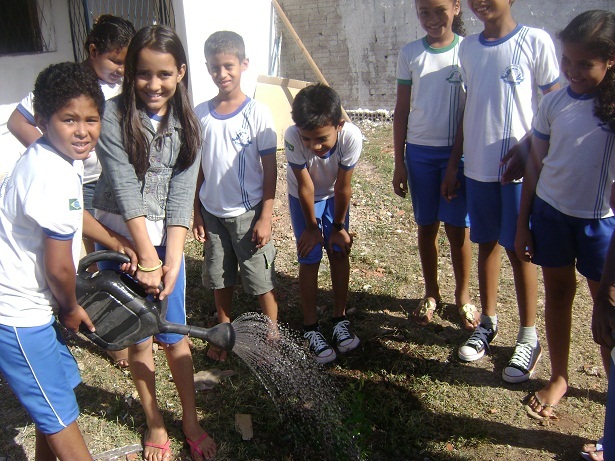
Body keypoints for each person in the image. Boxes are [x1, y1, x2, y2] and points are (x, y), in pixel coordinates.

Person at [0, 62, 136, 461]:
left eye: (91, 119)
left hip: (30, 308)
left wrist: (116, 239)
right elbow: (60, 266)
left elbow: (73, 213)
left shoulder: (53, 158)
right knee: (59, 417)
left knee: (57, 402)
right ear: (41, 120)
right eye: (69, 119)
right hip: (19, 315)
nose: (83, 131)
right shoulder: (52, 173)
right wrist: (71, 308)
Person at [93, 25, 216, 461]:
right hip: (122, 237)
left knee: (175, 335)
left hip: (165, 243)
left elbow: (183, 195)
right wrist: (145, 257)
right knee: (139, 337)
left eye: (164, 74)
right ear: (130, 74)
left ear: (180, 73)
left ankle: (190, 418)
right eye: (143, 74)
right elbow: (125, 188)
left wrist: (172, 262)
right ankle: (155, 421)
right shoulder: (110, 116)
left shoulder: (190, 124)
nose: (153, 84)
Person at [440, 0, 560, 383]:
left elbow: (556, 104)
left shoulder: (534, 41)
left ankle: (528, 335)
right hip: (477, 166)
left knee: (519, 248)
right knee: (486, 241)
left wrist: (529, 147)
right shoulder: (468, 48)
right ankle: (488, 322)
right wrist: (455, 161)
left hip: (517, 172)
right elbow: (468, 106)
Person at [7, 14, 136, 370]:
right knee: (82, 255)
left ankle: (115, 317)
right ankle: (97, 320)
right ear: (93, 51)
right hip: (20, 306)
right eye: (115, 60)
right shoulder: (61, 88)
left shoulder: (113, 90)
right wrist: (53, 149)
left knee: (103, 248)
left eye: (90, 120)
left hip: (97, 177)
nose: (121, 70)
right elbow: (17, 120)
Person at [514, 7, 615, 433]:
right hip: (550, 215)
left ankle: (612, 389)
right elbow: (536, 165)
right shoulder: (553, 103)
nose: (572, 71)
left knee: (607, 308)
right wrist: (523, 222)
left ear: (610, 61)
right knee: (557, 294)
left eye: (584, 63)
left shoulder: (611, 111)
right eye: (566, 61)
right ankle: (559, 375)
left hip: (599, 225)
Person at [192, 31, 278, 363]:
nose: (222, 74)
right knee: (219, 276)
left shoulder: (257, 113)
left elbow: (269, 170)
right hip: (212, 213)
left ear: (243, 64)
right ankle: (222, 333)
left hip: (247, 213)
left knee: (260, 279)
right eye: (215, 68)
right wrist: (197, 211)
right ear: (207, 69)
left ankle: (273, 336)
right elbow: (197, 168)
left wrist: (265, 216)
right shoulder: (200, 114)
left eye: (228, 66)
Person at [392, 0, 476, 330]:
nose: (431, 19)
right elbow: (401, 110)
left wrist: (456, 162)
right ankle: (431, 293)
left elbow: (471, 110)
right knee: (427, 227)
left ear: (456, 8)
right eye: (424, 11)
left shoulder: (468, 52)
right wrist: (399, 162)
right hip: (421, 155)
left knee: (458, 229)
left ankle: (464, 296)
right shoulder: (411, 54)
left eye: (440, 10)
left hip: (458, 155)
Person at [285, 84, 362, 364]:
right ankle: (310, 327)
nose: (314, 147)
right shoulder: (292, 136)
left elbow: (343, 188)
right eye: (307, 139)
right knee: (309, 256)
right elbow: (305, 187)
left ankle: (339, 320)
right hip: (302, 197)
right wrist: (311, 228)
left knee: (339, 253)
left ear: (339, 125)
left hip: (333, 195)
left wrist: (339, 228)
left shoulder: (351, 137)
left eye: (321, 139)